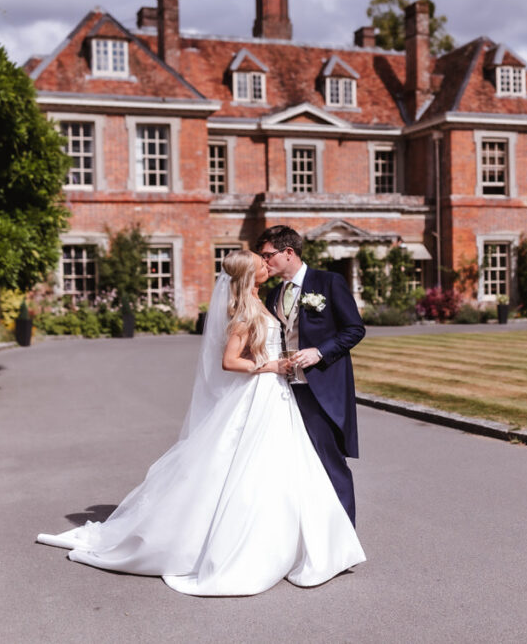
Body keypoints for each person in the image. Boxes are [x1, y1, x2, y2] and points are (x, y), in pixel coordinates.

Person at [36, 250, 365, 596]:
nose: (266, 265)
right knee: (250, 467)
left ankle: (302, 540)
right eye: (260, 263)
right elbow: (229, 361)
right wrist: (271, 367)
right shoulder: (244, 311)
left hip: (276, 394)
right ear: (249, 274)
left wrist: (279, 363)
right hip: (261, 389)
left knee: (285, 466)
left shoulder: (264, 299)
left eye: (267, 259)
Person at [255, 226, 365, 525]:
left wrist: (320, 351)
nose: (265, 263)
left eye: (268, 256)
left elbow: (354, 329)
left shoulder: (328, 282)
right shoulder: (275, 293)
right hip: (283, 389)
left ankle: (344, 535)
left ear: (288, 252)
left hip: (321, 386)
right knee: (295, 462)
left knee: (329, 460)